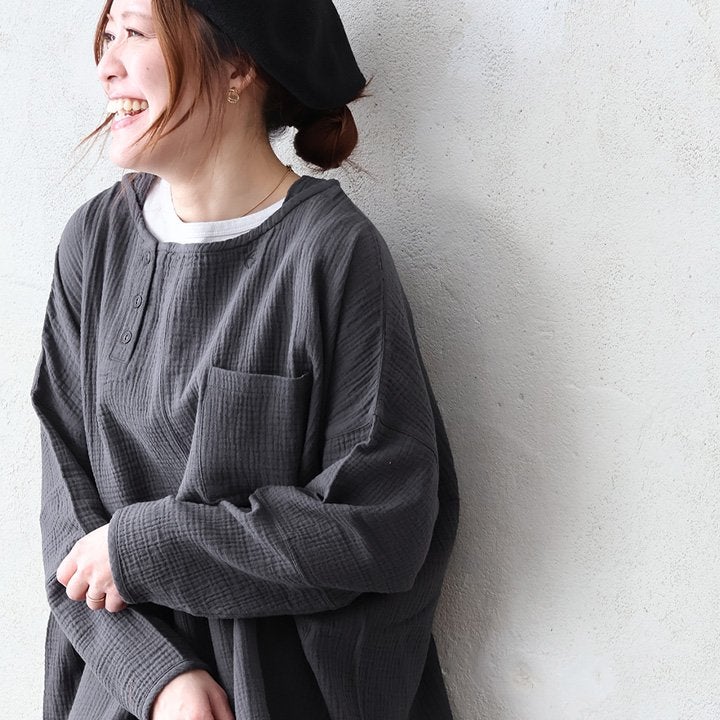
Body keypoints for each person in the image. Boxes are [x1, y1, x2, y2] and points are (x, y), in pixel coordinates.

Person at [30, 0, 459, 718]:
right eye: (107, 36)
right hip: (123, 693)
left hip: (282, 695)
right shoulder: (94, 242)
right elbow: (65, 518)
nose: (106, 66)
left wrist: (148, 548)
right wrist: (159, 680)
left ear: (237, 66)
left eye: (134, 33)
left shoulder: (331, 253)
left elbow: (383, 524)